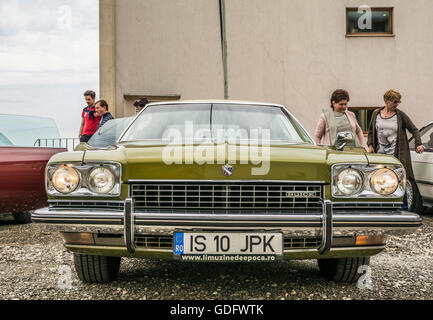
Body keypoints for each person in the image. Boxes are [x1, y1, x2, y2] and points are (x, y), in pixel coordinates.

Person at [367, 89, 424, 210]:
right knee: (380, 180)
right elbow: (371, 131)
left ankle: (402, 208)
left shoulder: (400, 115)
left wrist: (418, 143)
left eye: (399, 102)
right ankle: (381, 207)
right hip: (380, 155)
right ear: (386, 101)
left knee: (399, 180)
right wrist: (370, 144)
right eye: (394, 101)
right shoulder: (376, 114)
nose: (397, 104)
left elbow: (414, 130)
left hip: (396, 155)